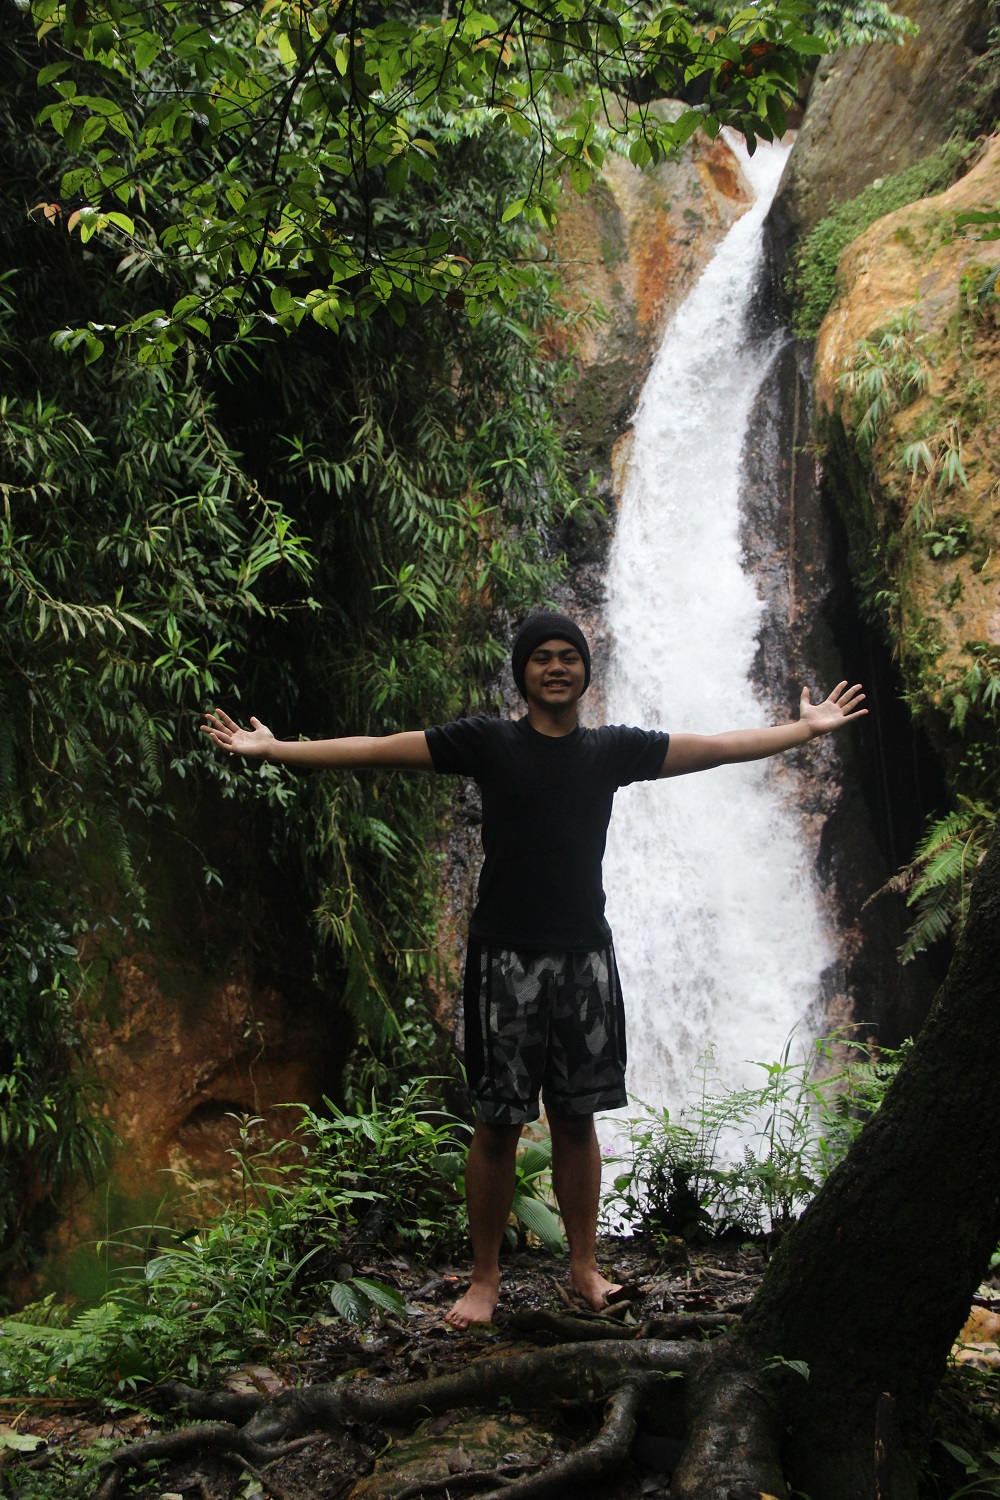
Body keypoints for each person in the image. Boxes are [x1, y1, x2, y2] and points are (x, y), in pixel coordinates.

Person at [202, 610, 866, 1329]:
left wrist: (803, 731)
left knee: (576, 1120)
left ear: (585, 671)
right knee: (496, 1123)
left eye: (568, 657)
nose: (556, 666)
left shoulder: (612, 751)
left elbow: (714, 747)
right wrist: (277, 751)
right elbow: (378, 750)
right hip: (505, 956)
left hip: (584, 954)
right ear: (523, 673)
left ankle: (584, 1267)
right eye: (542, 657)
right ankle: (484, 1279)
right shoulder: (488, 743)